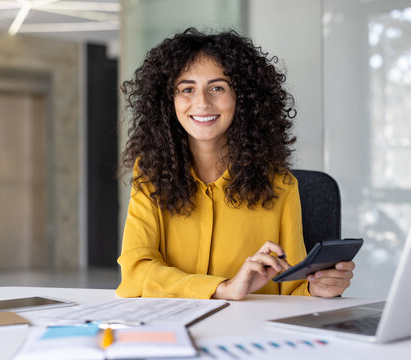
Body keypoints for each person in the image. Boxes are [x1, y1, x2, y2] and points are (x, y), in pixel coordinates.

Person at [116, 28, 355, 300]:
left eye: (217, 88)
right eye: (187, 89)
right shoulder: (150, 175)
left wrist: (318, 287)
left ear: (243, 98)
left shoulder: (280, 185)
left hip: (251, 334)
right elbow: (135, 274)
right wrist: (223, 288)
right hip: (171, 330)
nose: (202, 102)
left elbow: (293, 288)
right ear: (167, 101)